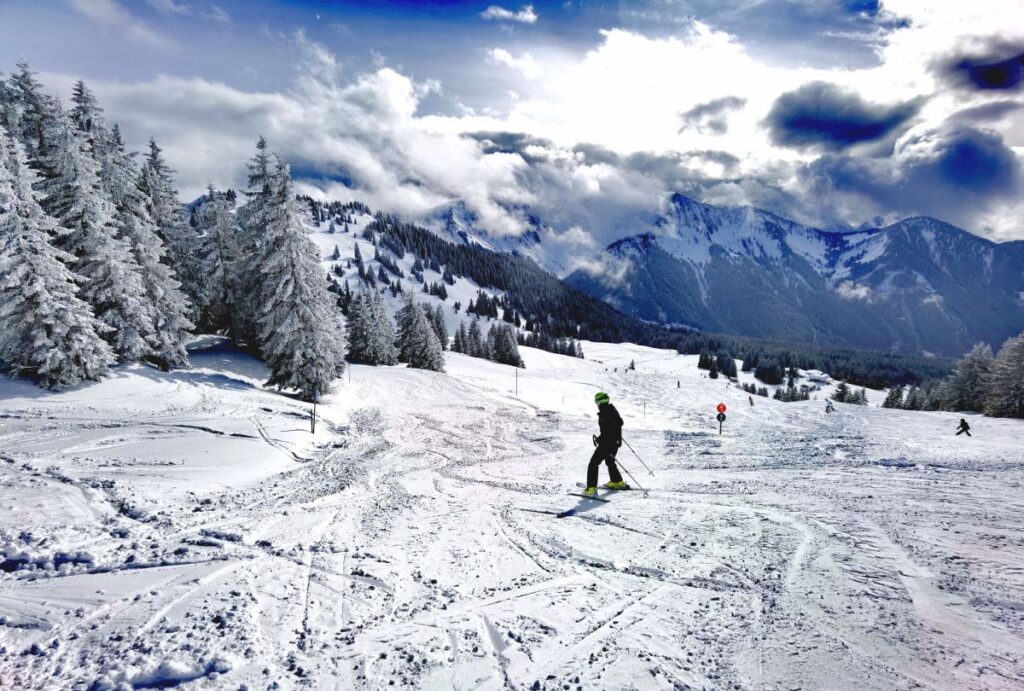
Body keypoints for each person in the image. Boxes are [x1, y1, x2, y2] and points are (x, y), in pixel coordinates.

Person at [583, 392, 627, 497]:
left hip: (607, 444)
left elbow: (608, 432)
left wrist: (600, 440)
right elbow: (618, 424)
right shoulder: (611, 410)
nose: (596, 404)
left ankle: (591, 489)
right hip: (614, 443)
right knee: (609, 461)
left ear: (599, 401)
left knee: (593, 463)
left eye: (596, 401)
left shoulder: (605, 413)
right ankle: (617, 482)